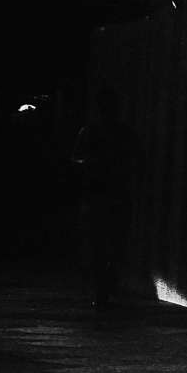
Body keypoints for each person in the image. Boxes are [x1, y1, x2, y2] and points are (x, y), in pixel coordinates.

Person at [71, 87, 135, 309]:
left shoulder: (92, 132)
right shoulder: (121, 134)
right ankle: (104, 285)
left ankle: (103, 287)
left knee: (102, 244)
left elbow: (75, 161)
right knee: (107, 244)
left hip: (101, 195)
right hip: (109, 195)